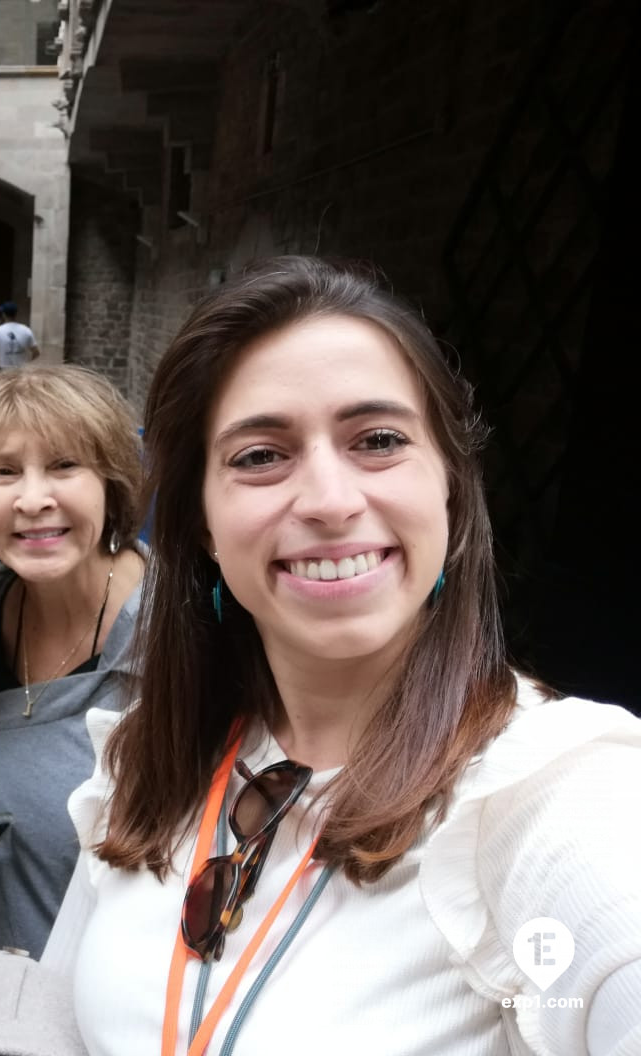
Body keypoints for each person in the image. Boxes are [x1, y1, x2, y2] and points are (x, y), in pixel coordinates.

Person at [40, 257, 641, 1054]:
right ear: (204, 525)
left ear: (450, 488)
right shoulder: (148, 756)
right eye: (261, 455)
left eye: (379, 441)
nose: (329, 500)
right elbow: (51, 1019)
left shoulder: (550, 792)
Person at [0, 365, 146, 959]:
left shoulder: (179, 634)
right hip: (13, 986)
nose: (33, 499)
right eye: (4, 472)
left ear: (111, 482)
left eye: (64, 465)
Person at [0, 300, 40, 369]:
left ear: (3, 314)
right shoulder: (26, 330)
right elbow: (36, 352)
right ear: (16, 314)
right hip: (21, 371)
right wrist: (28, 364)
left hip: (3, 372)